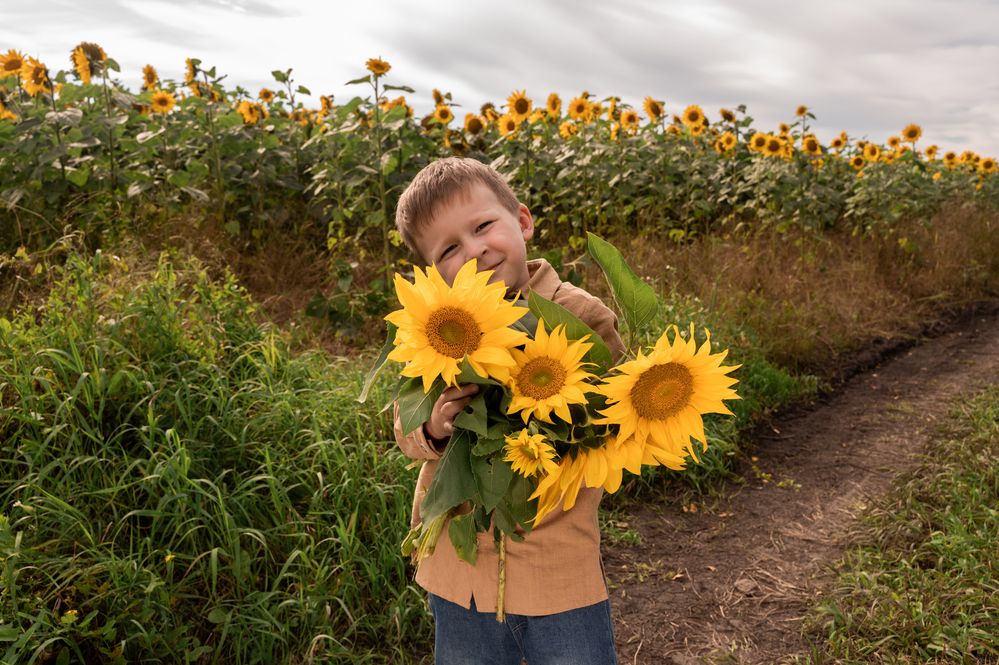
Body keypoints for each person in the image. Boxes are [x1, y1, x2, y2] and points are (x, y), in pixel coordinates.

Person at [393, 156, 625, 665]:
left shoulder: (581, 316)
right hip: (461, 571)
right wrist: (434, 425)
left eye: (482, 227)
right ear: (434, 274)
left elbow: (618, 419)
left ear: (522, 221)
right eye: (450, 249)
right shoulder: (435, 333)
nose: (474, 250)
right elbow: (405, 428)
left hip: (557, 567)